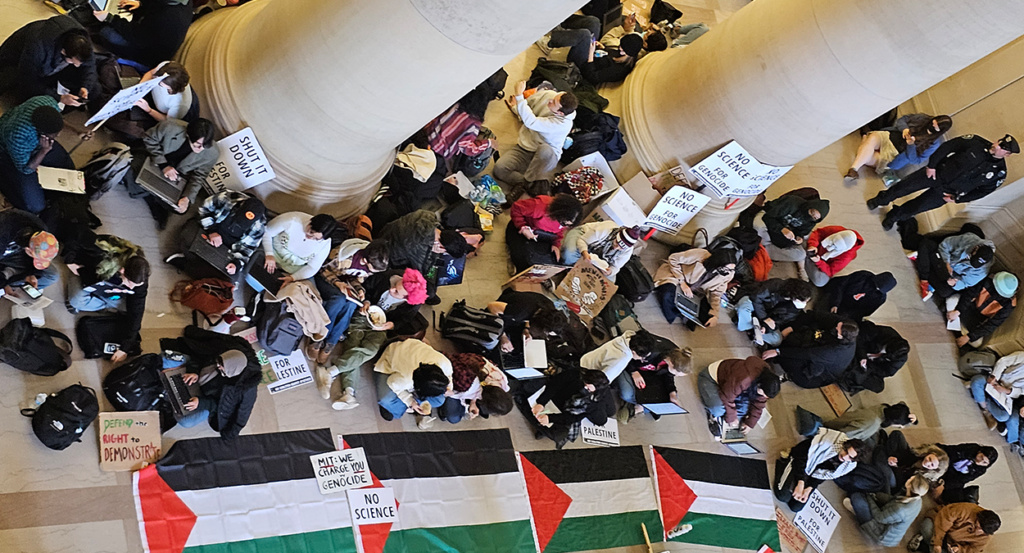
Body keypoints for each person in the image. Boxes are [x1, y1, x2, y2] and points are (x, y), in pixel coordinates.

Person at [312, 268, 427, 410]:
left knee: (371, 350)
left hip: (380, 325)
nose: (391, 290)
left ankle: (331, 373)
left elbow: (404, 320)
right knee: (353, 346)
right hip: (362, 316)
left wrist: (392, 325)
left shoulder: (412, 305)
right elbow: (366, 288)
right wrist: (366, 301)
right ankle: (348, 391)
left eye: (397, 292)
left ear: (406, 298)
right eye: (395, 285)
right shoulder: (386, 277)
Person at [868, 134, 1019, 230]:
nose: (996, 145)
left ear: (1007, 154)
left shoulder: (999, 173)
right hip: (936, 173)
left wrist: (957, 199)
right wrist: (932, 165)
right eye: (999, 141)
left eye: (1001, 147)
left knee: (918, 206)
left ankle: (894, 216)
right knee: (905, 187)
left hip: (948, 191)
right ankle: (881, 199)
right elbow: (948, 147)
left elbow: (982, 192)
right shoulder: (975, 142)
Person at [63, 233, 149, 362]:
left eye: (136, 285)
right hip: (87, 275)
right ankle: (101, 305)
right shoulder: (101, 252)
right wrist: (70, 261)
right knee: (76, 301)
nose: (132, 288)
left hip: (110, 290)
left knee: (131, 310)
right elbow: (76, 236)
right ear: (122, 270)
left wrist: (125, 347)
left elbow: (137, 311)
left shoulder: (139, 279)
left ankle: (100, 304)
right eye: (130, 283)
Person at [306, 240, 391, 364]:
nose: (371, 273)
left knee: (351, 304)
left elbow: (355, 278)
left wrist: (359, 289)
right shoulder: (343, 256)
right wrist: (337, 283)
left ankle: (331, 342)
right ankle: (319, 337)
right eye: (371, 270)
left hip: (344, 283)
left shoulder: (371, 264)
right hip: (325, 278)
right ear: (365, 261)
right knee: (339, 300)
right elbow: (322, 269)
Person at [169, 326, 261, 439]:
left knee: (186, 422)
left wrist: (201, 403)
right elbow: (199, 355)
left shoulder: (241, 390)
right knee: (166, 360)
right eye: (218, 362)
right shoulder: (223, 353)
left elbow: (223, 406)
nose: (217, 366)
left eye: (221, 367)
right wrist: (193, 371)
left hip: (206, 399)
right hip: (195, 378)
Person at [493, 80, 578, 198]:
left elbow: (531, 122)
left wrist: (519, 96)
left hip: (546, 155)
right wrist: (517, 107)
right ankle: (528, 185)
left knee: (545, 149)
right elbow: (528, 106)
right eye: (554, 98)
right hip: (526, 148)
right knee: (499, 169)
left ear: (560, 113)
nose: (550, 100)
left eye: (554, 102)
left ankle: (529, 180)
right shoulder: (549, 95)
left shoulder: (562, 124)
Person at [134, 118, 220, 226]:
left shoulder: (213, 153)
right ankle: (153, 199)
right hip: (154, 159)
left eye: (205, 145)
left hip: (177, 173)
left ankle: (152, 195)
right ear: (188, 134)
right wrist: (163, 165)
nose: (201, 148)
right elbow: (149, 138)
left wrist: (187, 198)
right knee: (135, 169)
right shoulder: (169, 127)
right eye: (197, 144)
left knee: (181, 208)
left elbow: (199, 177)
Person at [164, 190, 267, 278]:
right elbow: (203, 210)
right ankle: (195, 262)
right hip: (207, 229)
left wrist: (236, 264)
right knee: (188, 237)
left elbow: (246, 250)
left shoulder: (259, 227)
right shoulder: (226, 197)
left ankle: (186, 263)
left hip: (227, 248)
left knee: (230, 276)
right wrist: (212, 231)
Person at [0, 96, 76, 213]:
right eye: (54, 135)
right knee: (36, 206)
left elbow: (58, 120)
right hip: (8, 152)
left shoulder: (48, 102)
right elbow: (26, 169)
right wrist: (44, 151)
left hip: (37, 143)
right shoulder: (17, 135)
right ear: (42, 133)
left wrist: (77, 131)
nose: (59, 135)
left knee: (67, 166)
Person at [0, 15, 98, 104]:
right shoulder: (37, 46)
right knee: (32, 99)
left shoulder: (83, 41)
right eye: (73, 62)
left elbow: (90, 65)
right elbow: (28, 80)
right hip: (17, 64)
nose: (77, 65)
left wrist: (85, 87)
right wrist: (59, 98)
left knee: (94, 89)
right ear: (63, 52)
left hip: (50, 65)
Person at [378, 209, 469, 302]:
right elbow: (419, 274)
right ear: (442, 247)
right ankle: (429, 297)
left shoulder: (427, 215)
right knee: (428, 287)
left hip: (386, 233)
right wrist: (434, 255)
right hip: (387, 256)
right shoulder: (420, 250)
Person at [773, 427, 867, 511]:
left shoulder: (848, 466)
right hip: (800, 460)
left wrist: (809, 488)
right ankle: (784, 461)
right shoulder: (829, 442)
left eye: (850, 457)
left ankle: (794, 483)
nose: (845, 457)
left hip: (812, 473)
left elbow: (822, 475)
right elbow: (801, 457)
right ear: (845, 445)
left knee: (796, 507)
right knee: (783, 496)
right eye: (846, 451)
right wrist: (800, 482)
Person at [844, 114, 953, 183]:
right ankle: (853, 169)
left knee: (868, 155)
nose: (931, 127)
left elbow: (917, 160)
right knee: (873, 139)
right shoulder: (923, 119)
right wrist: (904, 129)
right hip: (890, 137)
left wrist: (911, 145)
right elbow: (903, 119)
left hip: (896, 153)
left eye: (935, 128)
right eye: (932, 123)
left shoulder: (934, 143)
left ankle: (865, 140)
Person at [763, 312, 858, 388]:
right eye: (838, 324)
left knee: (788, 357)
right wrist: (792, 327)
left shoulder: (834, 352)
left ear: (840, 336)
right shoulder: (842, 324)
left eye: (838, 329)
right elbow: (814, 315)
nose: (836, 326)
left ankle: (789, 375)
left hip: (816, 374)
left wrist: (778, 352)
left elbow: (806, 354)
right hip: (819, 346)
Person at [373, 338, 452, 429]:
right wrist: (410, 402)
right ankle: (408, 406)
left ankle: (415, 405)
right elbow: (392, 383)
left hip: (412, 349)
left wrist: (448, 388)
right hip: (390, 361)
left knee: (440, 400)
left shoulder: (444, 362)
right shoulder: (406, 379)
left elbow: (449, 376)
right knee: (386, 399)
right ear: (417, 389)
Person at [526, 368, 612, 449]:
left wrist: (550, 418)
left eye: (588, 389)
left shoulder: (593, 402)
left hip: (567, 410)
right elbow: (554, 385)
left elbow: (574, 417)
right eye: (585, 384)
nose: (584, 388)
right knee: (528, 390)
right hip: (557, 399)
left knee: (559, 434)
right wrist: (541, 403)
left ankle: (541, 428)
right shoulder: (575, 374)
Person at [92, 0, 194, 69]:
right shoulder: (183, 2)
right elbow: (156, 4)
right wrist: (140, 4)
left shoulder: (169, 17)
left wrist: (110, 18)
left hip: (147, 54)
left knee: (107, 33)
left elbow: (136, 35)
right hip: (147, 35)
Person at [249, 212, 337, 292]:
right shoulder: (291, 220)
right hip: (271, 254)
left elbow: (312, 267)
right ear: (310, 222)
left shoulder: (325, 244)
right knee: (255, 276)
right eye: (311, 232)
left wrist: (293, 277)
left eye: (316, 239)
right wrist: (269, 254)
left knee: (300, 293)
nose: (310, 238)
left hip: (295, 269)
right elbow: (266, 232)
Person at [698, 356, 781, 438]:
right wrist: (731, 418)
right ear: (759, 385)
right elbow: (727, 396)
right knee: (718, 410)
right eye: (763, 394)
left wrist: (750, 424)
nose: (763, 397)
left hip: (733, 387)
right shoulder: (744, 379)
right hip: (711, 378)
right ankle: (713, 415)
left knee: (743, 411)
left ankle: (722, 414)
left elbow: (759, 404)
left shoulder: (765, 382)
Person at [107, 61, 194, 138]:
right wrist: (139, 88)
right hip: (146, 89)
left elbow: (166, 121)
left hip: (153, 111)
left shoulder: (179, 105)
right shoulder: (166, 66)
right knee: (111, 71)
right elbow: (151, 73)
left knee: (128, 128)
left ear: (171, 87)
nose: (157, 80)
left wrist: (148, 109)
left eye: (160, 83)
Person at [653, 247, 736, 327]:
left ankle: (685, 313)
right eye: (726, 269)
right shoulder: (701, 254)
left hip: (696, 290)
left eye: (732, 269)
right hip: (678, 276)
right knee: (667, 294)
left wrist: (715, 314)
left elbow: (717, 293)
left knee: (707, 317)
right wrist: (682, 283)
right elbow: (673, 258)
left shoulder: (728, 274)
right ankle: (679, 314)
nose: (729, 272)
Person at [845, 475, 931, 547]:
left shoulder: (900, 509)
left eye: (910, 479)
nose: (908, 478)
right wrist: (875, 495)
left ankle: (857, 512)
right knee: (871, 493)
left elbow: (879, 517)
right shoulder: (917, 499)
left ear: (909, 485)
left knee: (856, 497)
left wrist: (869, 497)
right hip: (887, 516)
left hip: (882, 534)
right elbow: (892, 500)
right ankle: (862, 509)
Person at [506, 193, 583, 272]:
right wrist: (522, 227)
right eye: (563, 223)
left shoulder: (563, 221)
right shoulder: (539, 205)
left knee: (549, 264)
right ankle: (513, 259)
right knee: (524, 261)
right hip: (521, 229)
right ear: (559, 213)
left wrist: (556, 245)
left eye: (567, 225)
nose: (564, 226)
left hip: (541, 236)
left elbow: (559, 232)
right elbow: (516, 208)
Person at [946, 272, 1017, 353]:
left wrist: (969, 336)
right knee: (951, 300)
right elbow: (969, 294)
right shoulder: (987, 280)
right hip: (968, 306)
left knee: (977, 343)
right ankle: (956, 327)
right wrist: (958, 310)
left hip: (977, 321)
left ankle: (957, 329)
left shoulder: (1009, 304)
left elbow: (993, 324)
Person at [916, 231, 995, 301]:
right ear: (975, 248)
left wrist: (954, 283)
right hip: (942, 260)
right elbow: (945, 245)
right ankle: (925, 278)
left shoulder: (983, 271)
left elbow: (966, 283)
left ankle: (923, 263)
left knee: (945, 291)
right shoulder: (969, 239)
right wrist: (947, 262)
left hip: (950, 275)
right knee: (926, 244)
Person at [734, 278, 813, 346]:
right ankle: (751, 329)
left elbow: (779, 321)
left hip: (764, 318)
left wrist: (766, 327)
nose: (804, 304)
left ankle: (748, 325)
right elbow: (756, 297)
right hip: (753, 303)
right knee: (744, 309)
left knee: (777, 339)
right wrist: (764, 317)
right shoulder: (776, 285)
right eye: (803, 301)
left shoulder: (795, 309)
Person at [437, 353, 512, 424]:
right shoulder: (467, 385)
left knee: (457, 415)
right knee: (453, 418)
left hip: (462, 362)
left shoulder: (501, 381)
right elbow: (450, 391)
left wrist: (473, 402)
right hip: (447, 373)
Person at [620, 341, 690, 418]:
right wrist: (634, 372)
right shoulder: (651, 352)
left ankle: (642, 407)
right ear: (671, 364)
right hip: (630, 366)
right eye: (676, 374)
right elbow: (626, 355)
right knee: (627, 394)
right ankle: (642, 407)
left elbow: (669, 377)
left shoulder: (676, 358)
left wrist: (672, 393)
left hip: (650, 374)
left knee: (672, 398)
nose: (675, 375)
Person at [839, 321, 910, 394]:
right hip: (860, 353)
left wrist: (869, 366)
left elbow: (886, 372)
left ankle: (849, 371)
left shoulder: (900, 359)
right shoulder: (884, 332)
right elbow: (860, 339)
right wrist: (862, 356)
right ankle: (851, 374)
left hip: (870, 367)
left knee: (878, 386)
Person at [754, 194, 830, 261]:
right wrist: (781, 229)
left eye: (815, 218)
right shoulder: (791, 202)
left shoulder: (811, 221)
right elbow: (768, 217)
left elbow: (800, 232)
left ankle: (763, 248)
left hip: (780, 234)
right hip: (768, 219)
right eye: (812, 212)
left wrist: (799, 238)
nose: (811, 217)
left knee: (801, 255)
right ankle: (763, 247)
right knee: (758, 226)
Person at [0, 210, 60, 295]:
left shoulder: (40, 231)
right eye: (34, 257)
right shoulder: (4, 231)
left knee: (52, 275)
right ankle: (8, 280)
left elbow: (29, 259)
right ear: (28, 250)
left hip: (16, 254)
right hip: (4, 256)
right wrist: (4, 284)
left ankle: (12, 280)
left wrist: (30, 274)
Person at [488, 289, 567, 353]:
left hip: (516, 318)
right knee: (490, 344)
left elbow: (531, 317)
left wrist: (526, 329)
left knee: (519, 346)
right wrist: (502, 336)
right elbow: (491, 306)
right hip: (500, 313)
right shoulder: (519, 311)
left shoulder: (549, 307)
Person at [560, 223, 641, 282]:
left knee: (610, 281)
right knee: (569, 255)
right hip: (583, 236)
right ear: (616, 236)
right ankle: (569, 271)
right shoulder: (604, 230)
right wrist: (585, 253)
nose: (616, 247)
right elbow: (582, 240)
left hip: (598, 257)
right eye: (616, 243)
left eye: (621, 248)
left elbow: (616, 267)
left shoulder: (627, 251)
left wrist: (610, 272)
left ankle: (578, 274)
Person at [907, 503, 1000, 553]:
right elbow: (942, 522)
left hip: (951, 542)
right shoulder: (965, 509)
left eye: (982, 531)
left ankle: (924, 544)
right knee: (926, 528)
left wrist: (958, 549)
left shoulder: (985, 537)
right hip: (938, 525)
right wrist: (937, 543)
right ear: (979, 518)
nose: (977, 531)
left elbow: (973, 550)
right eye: (978, 526)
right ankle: (926, 544)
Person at [968, 350, 1024, 431]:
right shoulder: (1022, 356)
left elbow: (1021, 392)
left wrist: (1005, 390)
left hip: (1004, 393)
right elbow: (1003, 362)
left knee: (1003, 417)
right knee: (976, 381)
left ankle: (982, 398)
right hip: (994, 380)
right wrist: (994, 377)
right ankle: (984, 407)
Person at [879, 431, 949, 489]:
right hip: (899, 465)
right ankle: (886, 452)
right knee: (897, 435)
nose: (928, 462)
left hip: (897, 479)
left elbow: (902, 483)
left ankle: (884, 448)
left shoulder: (923, 479)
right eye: (930, 458)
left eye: (932, 465)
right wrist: (895, 458)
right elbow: (905, 456)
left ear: (934, 469)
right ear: (929, 453)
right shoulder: (920, 455)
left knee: (879, 452)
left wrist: (895, 466)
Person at [820, 271, 897, 320]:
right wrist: (835, 303)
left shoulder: (880, 298)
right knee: (820, 311)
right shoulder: (863, 276)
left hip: (847, 310)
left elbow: (863, 312)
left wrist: (846, 315)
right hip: (837, 295)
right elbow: (840, 286)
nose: (875, 289)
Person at [825, 402, 917, 442]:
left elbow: (901, 405)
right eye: (900, 426)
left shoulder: (882, 408)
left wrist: (915, 421)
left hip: (851, 424)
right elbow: (842, 437)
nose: (901, 427)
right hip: (831, 432)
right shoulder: (873, 425)